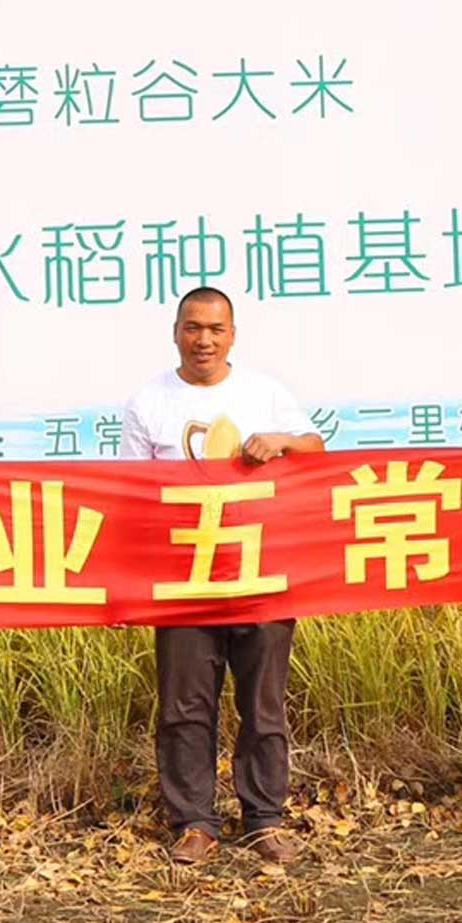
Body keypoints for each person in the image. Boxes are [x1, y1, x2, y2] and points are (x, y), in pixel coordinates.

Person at [120, 287, 325, 868]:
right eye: (192, 328)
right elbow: (131, 493)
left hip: (261, 574)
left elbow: (316, 451)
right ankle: (194, 823)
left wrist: (282, 442)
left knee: (263, 705)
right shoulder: (149, 402)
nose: (203, 340)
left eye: (215, 329)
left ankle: (264, 819)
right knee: (184, 707)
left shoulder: (264, 393)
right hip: (184, 581)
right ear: (175, 333)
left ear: (232, 335)